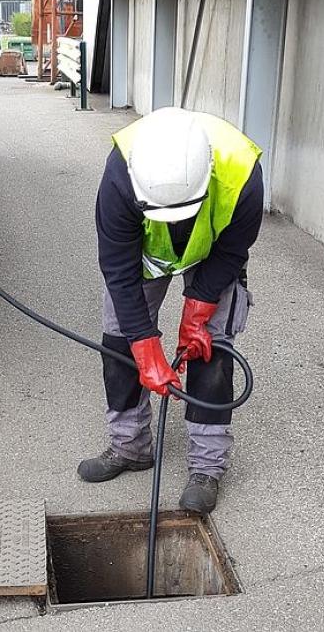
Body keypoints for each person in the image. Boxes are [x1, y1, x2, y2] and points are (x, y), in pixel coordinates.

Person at [77, 106, 265, 514]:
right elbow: (118, 270)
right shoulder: (120, 176)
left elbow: (233, 248)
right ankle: (130, 446)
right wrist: (146, 351)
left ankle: (207, 467)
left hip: (213, 255)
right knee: (119, 342)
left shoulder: (241, 172)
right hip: (145, 258)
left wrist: (197, 314)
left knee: (212, 349)